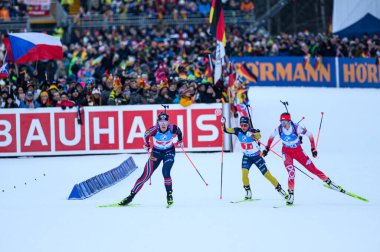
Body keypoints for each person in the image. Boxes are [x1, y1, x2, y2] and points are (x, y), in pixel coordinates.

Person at [262, 112, 343, 205]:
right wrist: (267, 148)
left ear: (289, 121)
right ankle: (291, 194)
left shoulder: (297, 128)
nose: (283, 124)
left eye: (285, 122)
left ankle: (330, 182)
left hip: (298, 152)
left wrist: (313, 149)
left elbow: (310, 135)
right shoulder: (279, 129)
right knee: (291, 172)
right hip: (286, 153)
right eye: (281, 122)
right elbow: (271, 136)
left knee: (313, 169)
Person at [119, 112, 183, 206]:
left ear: (168, 122)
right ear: (158, 122)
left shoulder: (173, 128)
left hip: (169, 152)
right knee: (145, 175)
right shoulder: (154, 130)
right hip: (156, 153)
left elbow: (179, 132)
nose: (163, 124)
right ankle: (131, 196)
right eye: (161, 121)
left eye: (165, 121)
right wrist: (147, 145)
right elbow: (146, 135)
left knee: (165, 172)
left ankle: (169, 194)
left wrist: (180, 140)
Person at [221, 116, 288, 200]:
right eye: (242, 125)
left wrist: (252, 135)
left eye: (245, 125)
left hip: (257, 157)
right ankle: (248, 192)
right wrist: (223, 123)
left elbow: (259, 135)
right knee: (244, 175)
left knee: (267, 175)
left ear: (248, 125)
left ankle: (281, 190)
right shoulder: (237, 131)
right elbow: (226, 130)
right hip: (247, 157)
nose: (243, 127)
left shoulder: (252, 131)